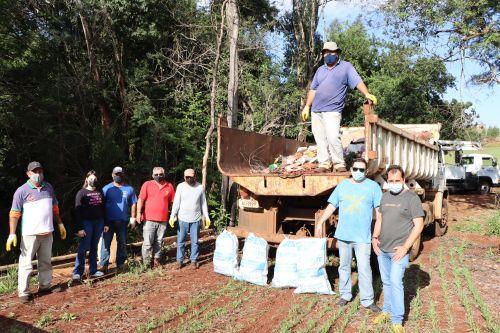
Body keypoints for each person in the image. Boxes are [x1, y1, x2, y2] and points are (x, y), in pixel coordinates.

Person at [301, 41, 378, 172]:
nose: (328, 55)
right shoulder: (320, 70)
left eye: (331, 52)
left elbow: (357, 81)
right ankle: (324, 164)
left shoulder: (345, 67)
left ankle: (339, 164)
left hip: (332, 110)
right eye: (326, 52)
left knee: (332, 136)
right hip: (316, 110)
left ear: (337, 53)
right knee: (319, 138)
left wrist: (366, 93)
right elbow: (313, 89)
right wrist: (307, 106)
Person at [318, 158, 381, 312]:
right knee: (344, 266)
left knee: (364, 268)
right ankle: (345, 295)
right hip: (344, 235)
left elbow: (380, 213)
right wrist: (321, 221)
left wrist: (376, 235)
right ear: (351, 169)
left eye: (361, 170)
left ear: (366, 172)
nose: (358, 172)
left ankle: (368, 300)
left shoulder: (373, 187)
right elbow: (332, 205)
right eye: (355, 169)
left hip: (362, 237)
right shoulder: (343, 185)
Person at [372, 165, 424, 333]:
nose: (393, 183)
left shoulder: (412, 198)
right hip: (382, 249)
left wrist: (405, 248)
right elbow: (379, 219)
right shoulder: (384, 197)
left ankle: (397, 320)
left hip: (398, 251)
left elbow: (419, 225)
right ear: (387, 181)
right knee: (386, 282)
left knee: (395, 282)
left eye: (397, 181)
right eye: (390, 180)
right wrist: (374, 238)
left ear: (403, 181)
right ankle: (386, 311)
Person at [6, 161, 67, 303]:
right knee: (26, 263)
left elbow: (55, 208)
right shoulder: (21, 191)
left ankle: (45, 286)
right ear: (28, 174)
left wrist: (60, 224)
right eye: (35, 172)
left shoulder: (49, 188)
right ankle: (24, 292)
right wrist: (12, 233)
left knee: (45, 262)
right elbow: (14, 213)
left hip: (47, 233)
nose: (38, 174)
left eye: (40, 171)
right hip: (30, 234)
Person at [169, 169, 210, 269]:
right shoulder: (180, 187)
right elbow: (176, 202)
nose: (189, 179)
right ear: (184, 177)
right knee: (181, 241)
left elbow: (203, 203)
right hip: (182, 218)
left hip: (195, 218)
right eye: (187, 177)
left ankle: (193, 260)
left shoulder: (200, 187)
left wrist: (207, 216)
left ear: (195, 176)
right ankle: (180, 260)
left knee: (195, 241)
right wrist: (172, 215)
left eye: (191, 177)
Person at [99, 166, 137, 272]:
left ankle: (120, 264)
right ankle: (103, 265)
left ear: (123, 175)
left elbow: (133, 203)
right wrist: (101, 220)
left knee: (122, 243)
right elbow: (100, 205)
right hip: (108, 222)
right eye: (116, 174)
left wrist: (133, 218)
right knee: (106, 243)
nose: (118, 176)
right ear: (112, 175)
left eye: (120, 174)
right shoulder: (106, 189)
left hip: (123, 221)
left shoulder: (129, 189)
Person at [136, 167, 175, 267]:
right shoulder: (147, 184)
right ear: (153, 175)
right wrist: (138, 213)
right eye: (156, 174)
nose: (158, 176)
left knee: (159, 241)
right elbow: (141, 199)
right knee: (148, 242)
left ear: (164, 174)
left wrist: (174, 215)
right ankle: (146, 263)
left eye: (160, 174)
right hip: (149, 218)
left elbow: (173, 202)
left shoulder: (169, 186)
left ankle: (156, 260)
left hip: (163, 219)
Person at [72, 171, 105, 280]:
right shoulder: (81, 193)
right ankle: (77, 272)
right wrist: (79, 228)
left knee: (94, 247)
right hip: (86, 223)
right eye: (91, 179)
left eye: (94, 179)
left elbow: (103, 208)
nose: (93, 180)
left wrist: (106, 223)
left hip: (99, 222)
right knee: (83, 247)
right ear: (86, 180)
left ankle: (93, 270)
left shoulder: (100, 192)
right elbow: (77, 212)